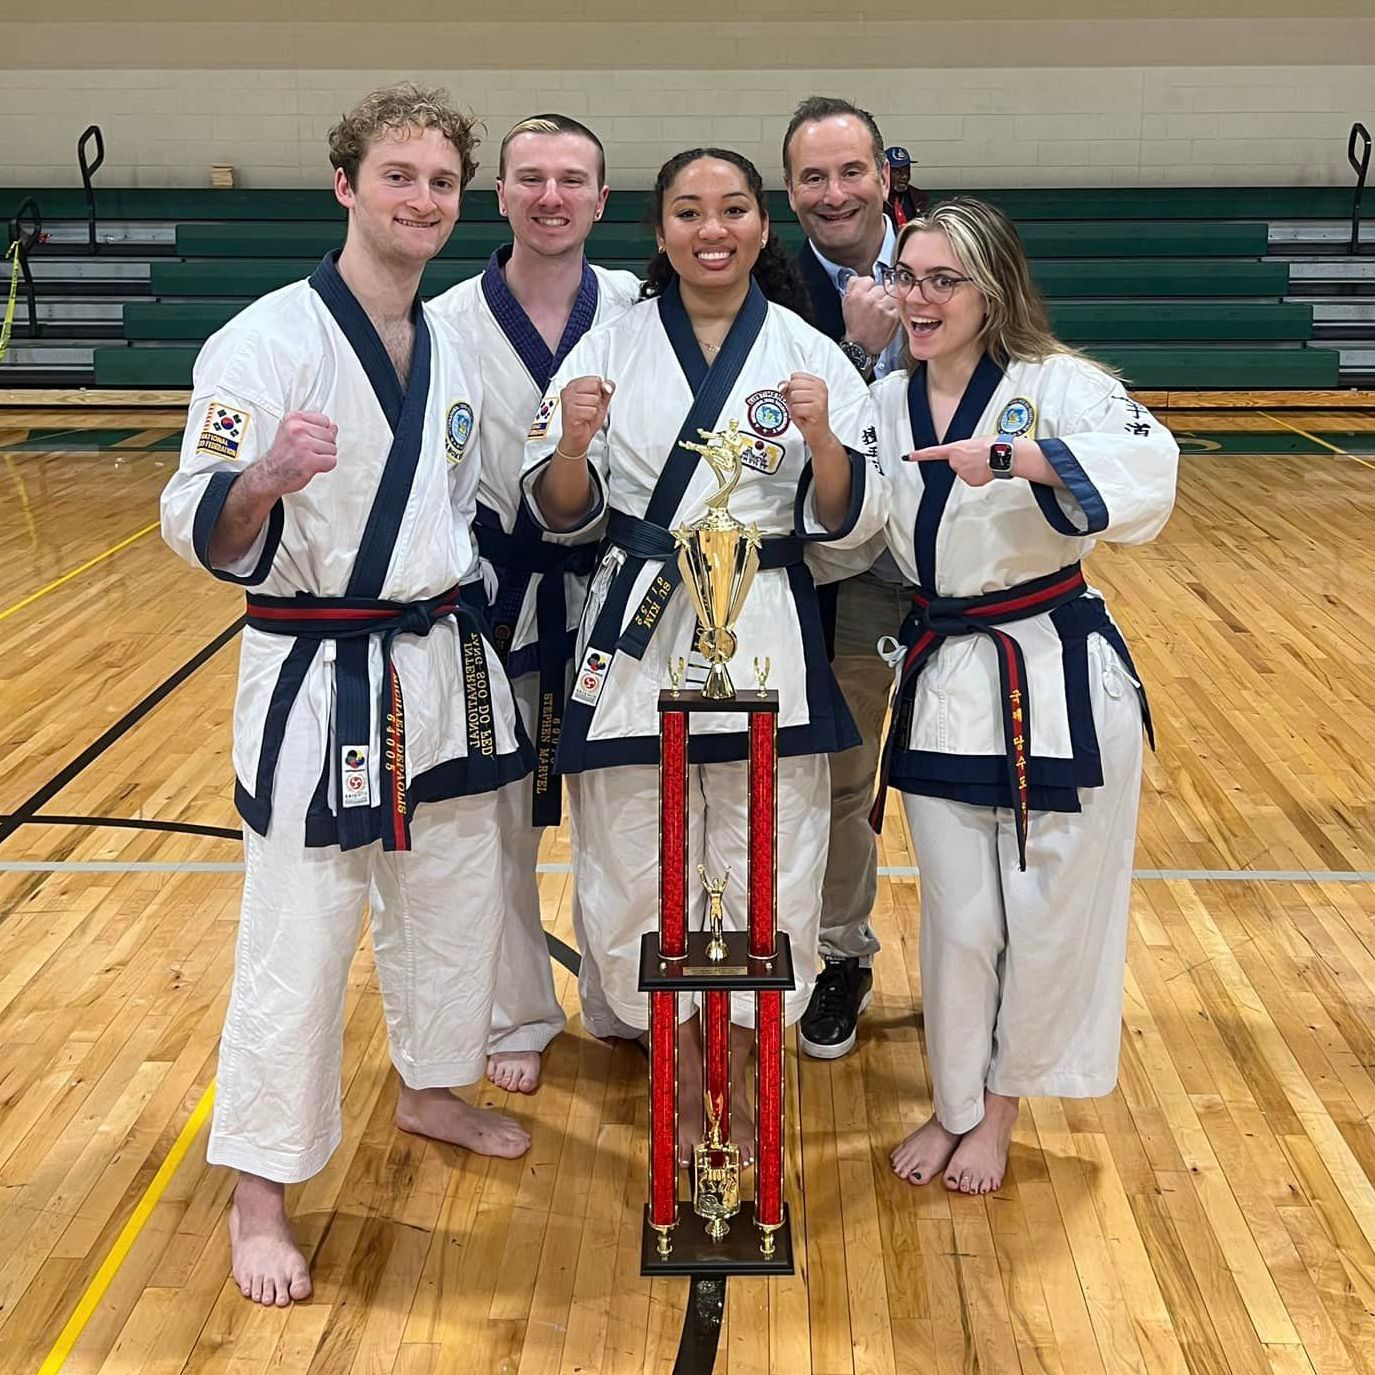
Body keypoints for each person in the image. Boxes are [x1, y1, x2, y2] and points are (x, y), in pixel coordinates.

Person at [160, 84, 534, 1308]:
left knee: (454, 895)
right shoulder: (261, 341)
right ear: (346, 187)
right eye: (398, 177)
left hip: (442, 660)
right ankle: (259, 1188)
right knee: (300, 936)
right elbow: (196, 515)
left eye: (439, 183)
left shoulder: (456, 350)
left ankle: (431, 1085)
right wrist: (262, 478)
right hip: (322, 672)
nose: (421, 200)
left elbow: (469, 505)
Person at [521, 147, 886, 1156]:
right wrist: (566, 446)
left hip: (762, 618)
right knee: (639, 856)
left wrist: (821, 443)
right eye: (688, 211)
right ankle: (677, 1070)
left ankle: (748, 1066)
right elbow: (558, 512)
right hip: (638, 620)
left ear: (763, 227)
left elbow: (852, 522)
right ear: (661, 229)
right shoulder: (609, 346)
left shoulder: (809, 356)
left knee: (770, 853)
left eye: (732, 209)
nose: (711, 229)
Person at [871, 197, 1177, 1194]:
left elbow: (1151, 471)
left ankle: (999, 1111)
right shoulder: (883, 400)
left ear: (990, 292)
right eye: (908, 278)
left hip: (1057, 676)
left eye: (941, 280)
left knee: (1046, 914)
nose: (918, 299)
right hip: (946, 675)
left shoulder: (1063, 385)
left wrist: (1011, 455)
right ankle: (953, 1101)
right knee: (960, 922)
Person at [429, 115, 639, 1095]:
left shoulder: (644, 310)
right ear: (499, 194)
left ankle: (622, 998)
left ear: (602, 199)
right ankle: (516, 1007)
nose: (549, 196)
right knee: (494, 818)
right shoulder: (440, 324)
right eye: (529, 179)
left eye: (571, 180)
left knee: (622, 809)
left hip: (618, 592)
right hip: (491, 595)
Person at [781, 95, 915, 1060]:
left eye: (850, 172)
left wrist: (877, 346)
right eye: (812, 177)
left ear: (884, 175)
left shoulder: (943, 266)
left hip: (891, 568)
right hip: (778, 562)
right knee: (768, 766)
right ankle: (762, 939)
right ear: (790, 191)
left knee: (848, 775)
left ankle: (840, 955)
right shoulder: (770, 280)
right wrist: (858, 351)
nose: (834, 194)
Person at [884, 146, 927, 228]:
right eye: (897, 171)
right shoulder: (874, 201)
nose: (904, 176)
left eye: (907, 170)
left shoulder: (919, 198)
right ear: (884, 171)